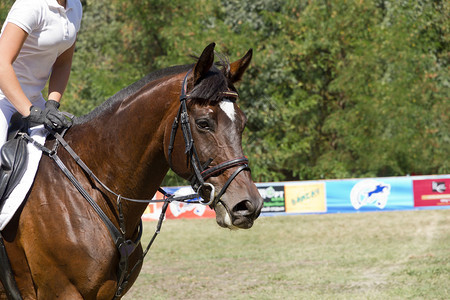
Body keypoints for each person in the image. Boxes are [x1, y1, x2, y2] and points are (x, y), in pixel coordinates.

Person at [0, 0, 82, 149]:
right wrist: (31, 112)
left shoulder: (75, 6)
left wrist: (52, 104)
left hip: (35, 101)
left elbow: (63, 62)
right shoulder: (31, 5)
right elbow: (1, 63)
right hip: (3, 98)